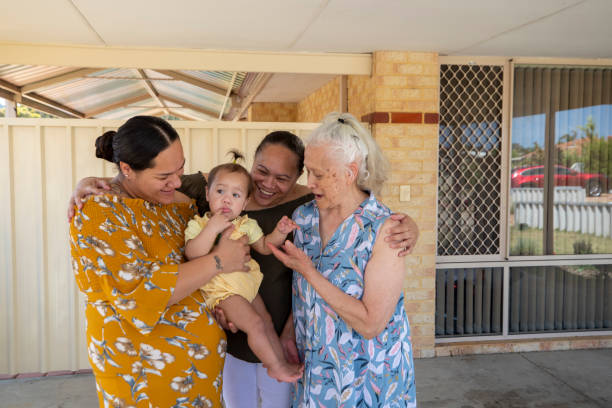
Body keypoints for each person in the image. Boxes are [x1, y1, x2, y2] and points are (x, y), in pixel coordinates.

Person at [68, 130, 420, 408]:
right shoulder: (215, 190)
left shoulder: (306, 203)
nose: (268, 184)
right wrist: (88, 184)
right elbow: (140, 182)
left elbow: (360, 204)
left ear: (299, 178)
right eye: (262, 172)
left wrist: (410, 227)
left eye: (285, 178)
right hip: (231, 341)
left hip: (290, 342)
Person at [69, 116, 251, 407]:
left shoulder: (178, 199)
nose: (177, 181)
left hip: (200, 378)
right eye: (165, 176)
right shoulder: (100, 213)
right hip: (143, 376)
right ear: (126, 169)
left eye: (181, 168)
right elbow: (141, 293)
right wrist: (219, 261)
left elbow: (244, 185)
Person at [269, 113, 417, 407]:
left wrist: (310, 272)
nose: (310, 182)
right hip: (314, 375)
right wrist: (288, 333)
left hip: (367, 379)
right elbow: (303, 292)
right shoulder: (305, 217)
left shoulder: (384, 230)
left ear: (350, 173)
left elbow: (371, 323)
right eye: (307, 172)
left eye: (320, 174)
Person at [183, 151, 302, 382]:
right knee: (255, 324)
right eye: (220, 191)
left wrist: (280, 231)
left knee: (266, 320)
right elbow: (192, 253)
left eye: (235, 195)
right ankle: (275, 366)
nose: (227, 199)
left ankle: (281, 361)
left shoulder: (247, 224)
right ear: (207, 193)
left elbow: (265, 246)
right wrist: (212, 229)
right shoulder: (199, 224)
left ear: (245, 202)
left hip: (247, 285)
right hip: (223, 292)